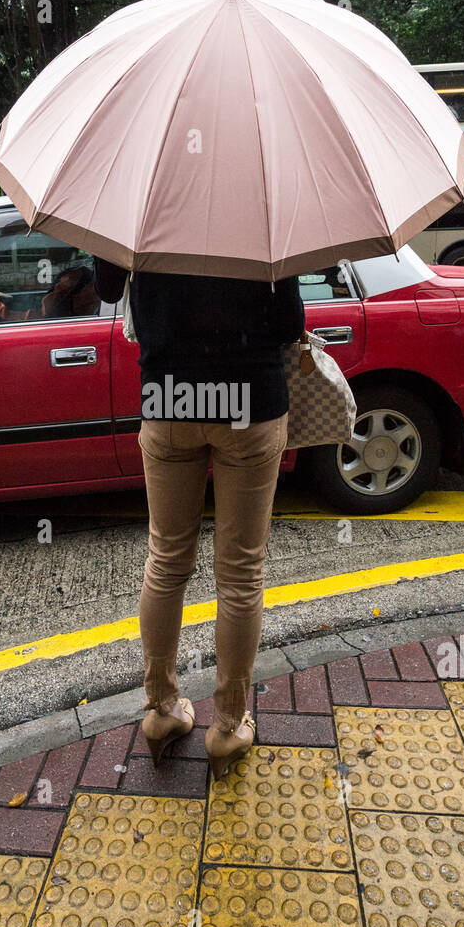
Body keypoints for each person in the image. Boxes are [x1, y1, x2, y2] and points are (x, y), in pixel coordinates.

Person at [94, 255, 305, 781]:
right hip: (251, 405)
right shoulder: (262, 205)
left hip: (168, 399)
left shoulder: (142, 198)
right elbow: (288, 325)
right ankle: (228, 725)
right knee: (240, 573)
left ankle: (162, 710)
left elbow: (107, 286)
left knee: (165, 561)